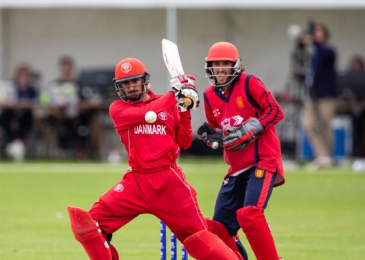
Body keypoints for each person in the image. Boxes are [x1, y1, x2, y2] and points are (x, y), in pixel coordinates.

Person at [67, 57, 243, 260]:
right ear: (119, 87)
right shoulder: (118, 109)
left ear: (145, 80)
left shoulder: (167, 104)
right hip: (137, 182)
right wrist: (177, 92)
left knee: (200, 237)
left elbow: (185, 142)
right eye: (126, 83)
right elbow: (147, 112)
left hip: (169, 182)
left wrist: (184, 109)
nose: (131, 87)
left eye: (135, 81)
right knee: (88, 225)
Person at [197, 42, 285, 260]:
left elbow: (275, 111)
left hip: (261, 160)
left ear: (235, 65)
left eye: (225, 64)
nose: (220, 68)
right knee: (219, 228)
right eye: (215, 64)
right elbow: (221, 130)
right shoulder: (209, 95)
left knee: (250, 215)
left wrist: (251, 128)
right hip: (236, 167)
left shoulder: (248, 82)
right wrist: (215, 137)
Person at [302, 23, 338, 168]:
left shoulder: (329, 51)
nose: (315, 35)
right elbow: (313, 75)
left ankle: (326, 158)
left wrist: (313, 40)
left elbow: (324, 53)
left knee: (325, 126)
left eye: (318, 32)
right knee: (309, 124)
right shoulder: (315, 55)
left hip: (327, 96)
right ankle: (321, 155)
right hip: (313, 95)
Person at [0, 64, 38, 161]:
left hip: (24, 117)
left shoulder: (31, 90)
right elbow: (5, 102)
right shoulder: (11, 88)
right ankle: (15, 144)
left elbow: (34, 103)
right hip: (10, 115)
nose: (23, 77)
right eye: (21, 75)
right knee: (6, 119)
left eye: (25, 75)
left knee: (24, 121)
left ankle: (15, 145)